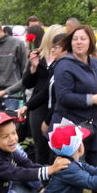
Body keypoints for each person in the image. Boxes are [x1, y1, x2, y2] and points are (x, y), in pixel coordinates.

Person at [50, 24, 97, 193]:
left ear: (90, 41)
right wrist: (93, 99)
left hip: (96, 123)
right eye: (75, 38)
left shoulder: (94, 63)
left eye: (83, 38)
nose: (79, 42)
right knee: (72, 169)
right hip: (74, 126)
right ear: (70, 42)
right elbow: (63, 97)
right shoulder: (64, 65)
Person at [17, 25, 66, 165]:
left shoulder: (64, 60)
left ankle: (51, 179)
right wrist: (33, 68)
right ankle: (41, 179)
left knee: (55, 147)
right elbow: (27, 83)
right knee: (40, 146)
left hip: (56, 106)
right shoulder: (39, 56)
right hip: (38, 106)